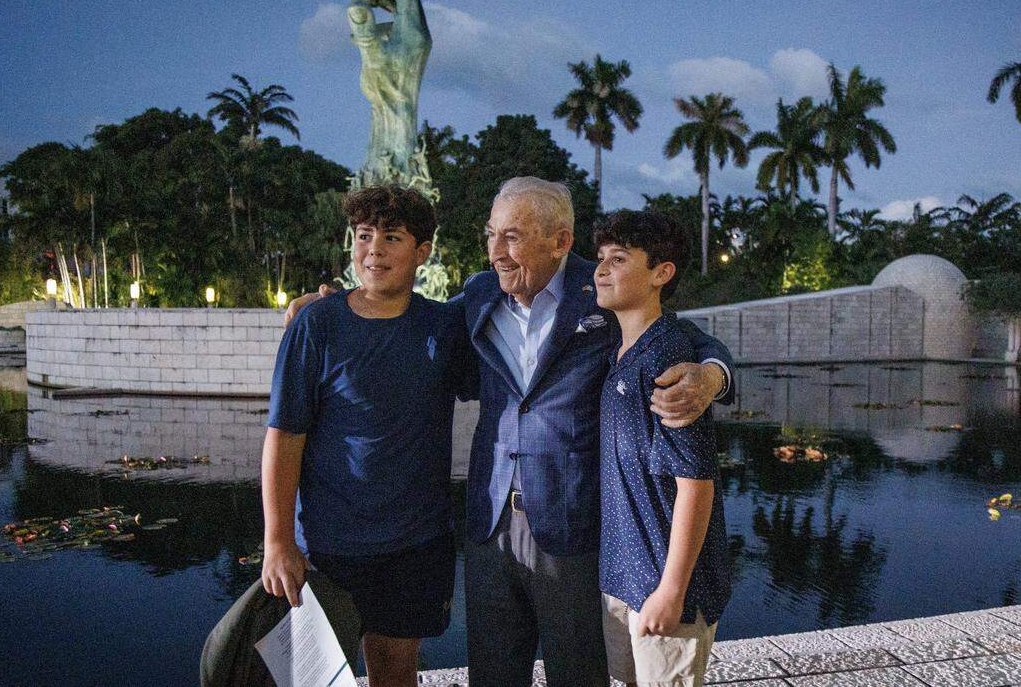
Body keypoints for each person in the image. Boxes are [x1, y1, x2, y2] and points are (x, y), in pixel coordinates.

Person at [286, 176, 733, 687]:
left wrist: (713, 374)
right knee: (494, 674)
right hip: (489, 522)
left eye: (514, 237)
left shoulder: (605, 290)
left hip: (573, 524)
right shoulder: (479, 295)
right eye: (491, 234)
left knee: (579, 673)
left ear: (560, 242)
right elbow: (404, 311)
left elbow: (685, 338)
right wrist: (337, 304)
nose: (496, 252)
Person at [261, 185, 476, 687]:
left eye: (393, 238)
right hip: (329, 542)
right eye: (364, 236)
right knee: (314, 676)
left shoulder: (443, 327)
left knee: (395, 672)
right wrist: (277, 540)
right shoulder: (317, 323)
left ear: (422, 253)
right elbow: (284, 437)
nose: (374, 249)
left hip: (416, 541)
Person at [593, 210, 730, 687]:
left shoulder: (670, 361)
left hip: (666, 584)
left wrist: (671, 591)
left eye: (619, 258)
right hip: (622, 576)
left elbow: (696, 484)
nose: (602, 269)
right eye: (601, 258)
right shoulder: (620, 352)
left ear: (661, 272)